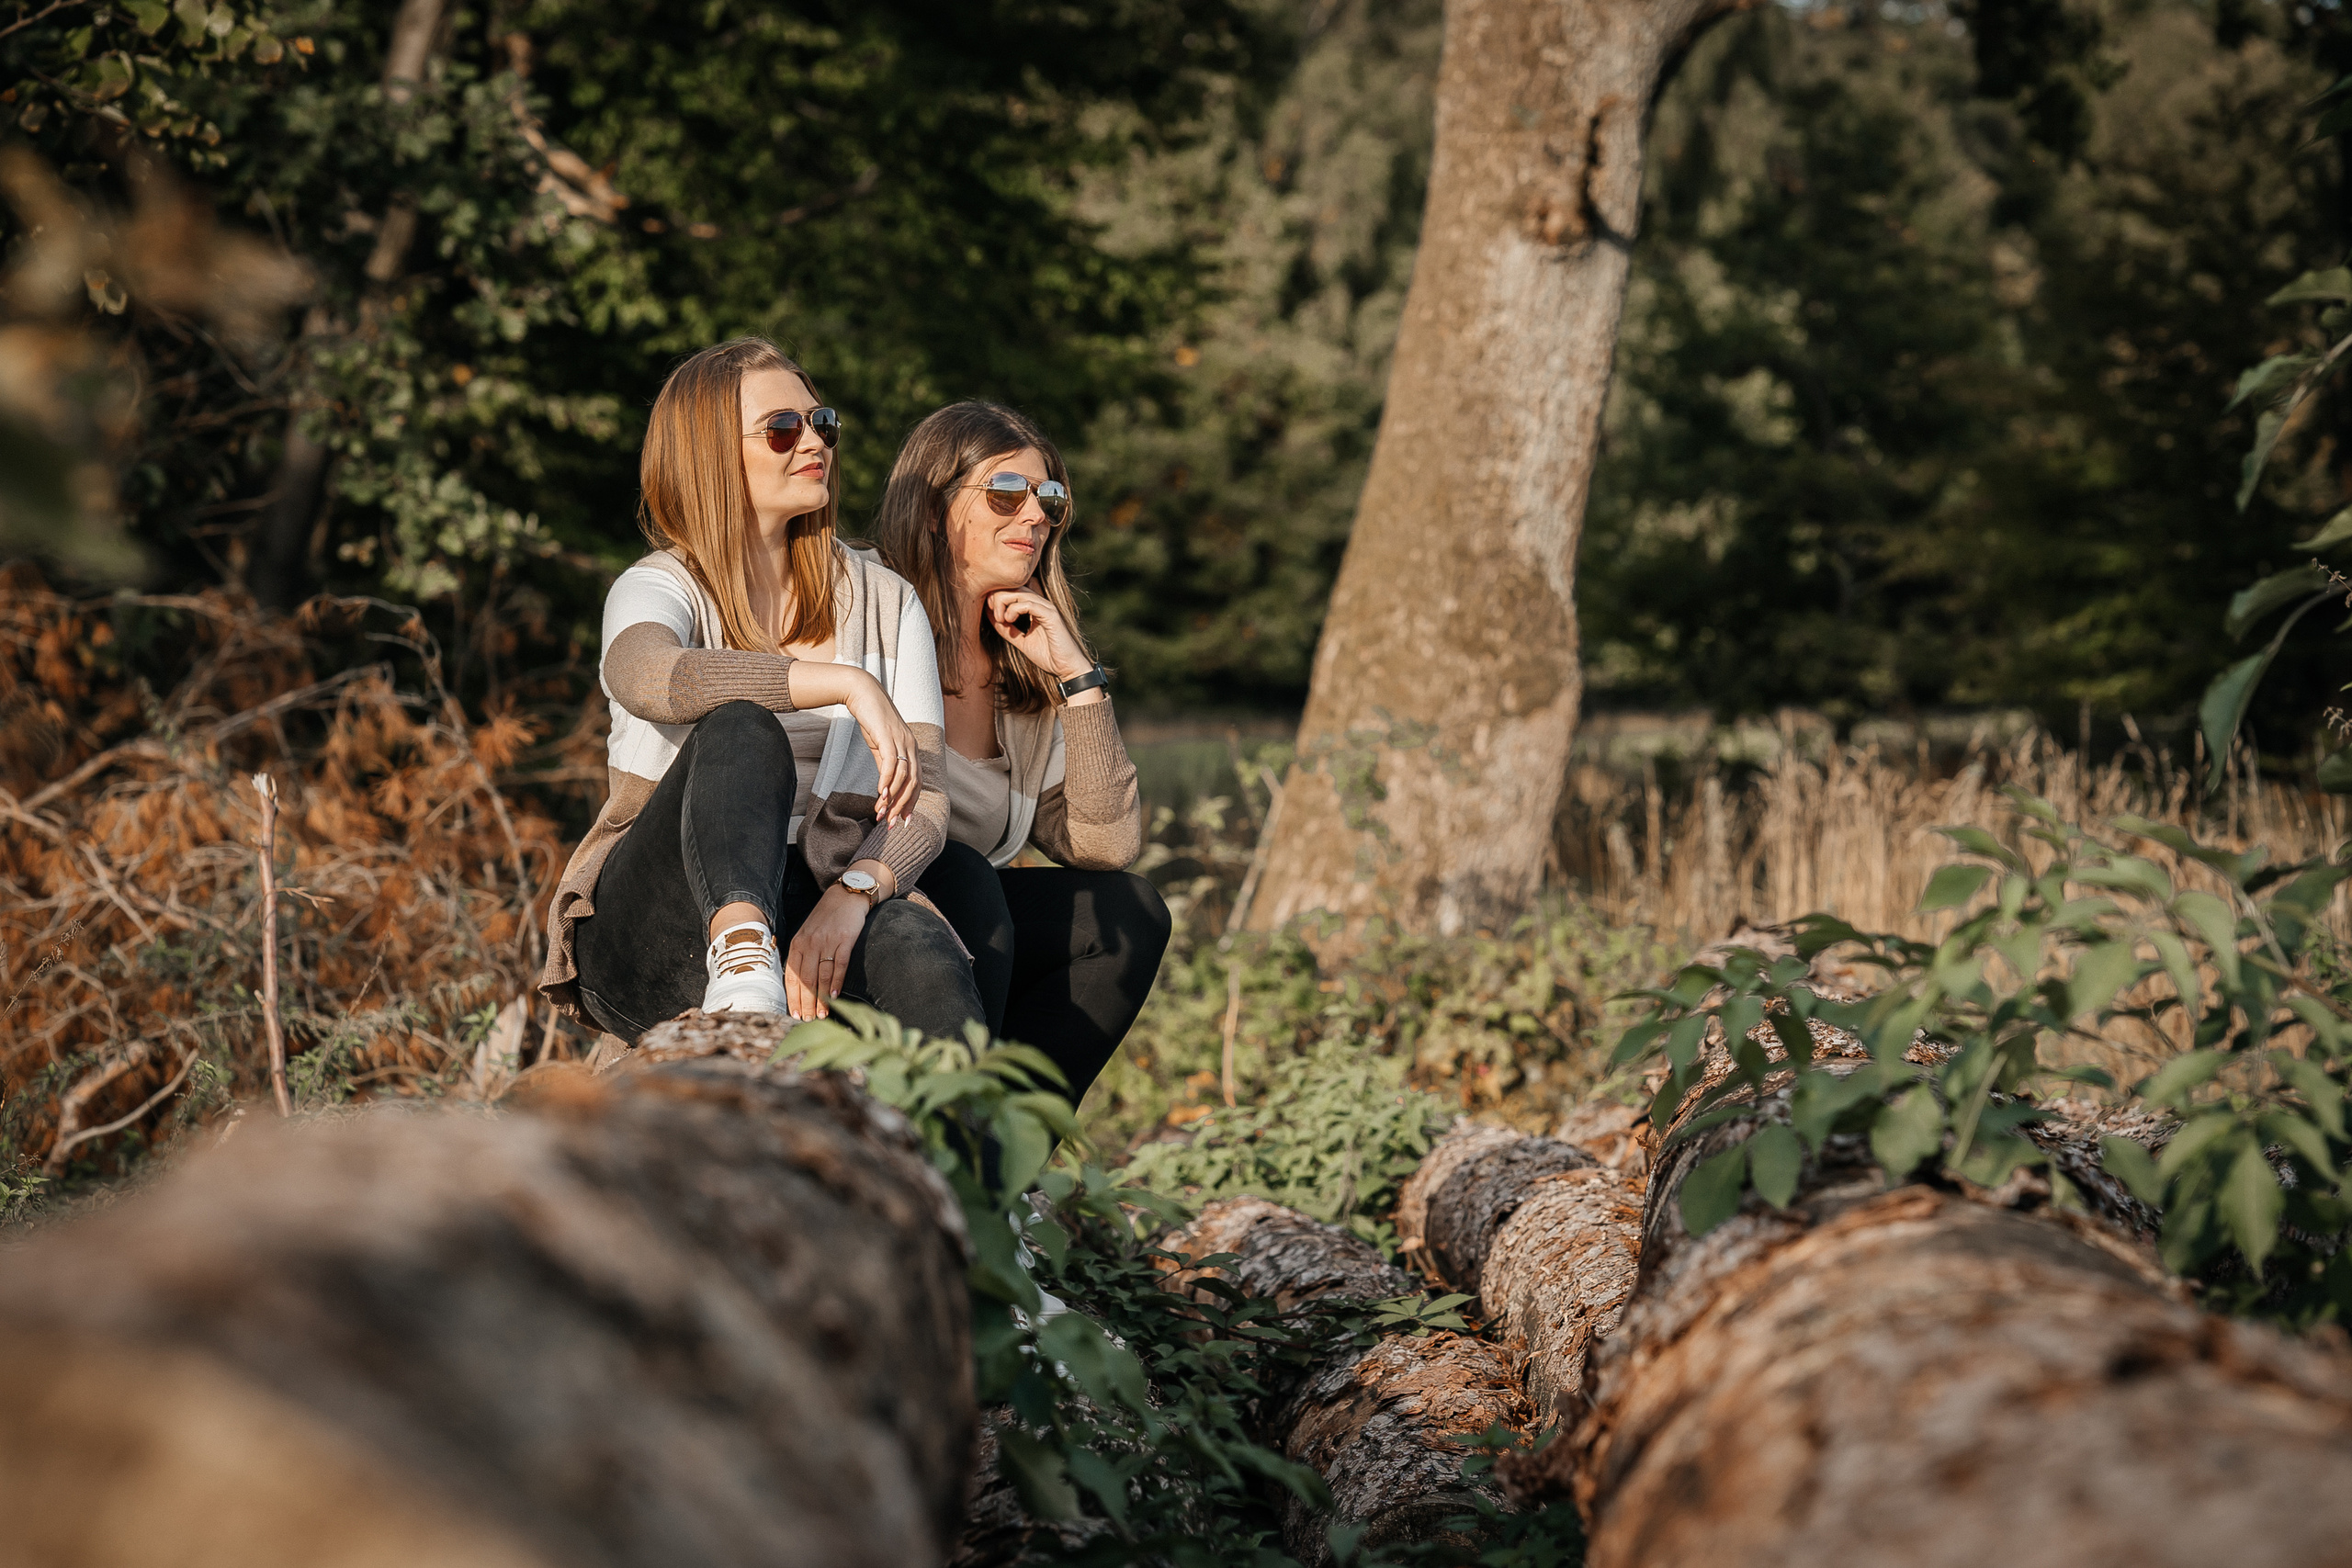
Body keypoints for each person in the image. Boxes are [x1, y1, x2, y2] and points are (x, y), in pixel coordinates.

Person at [537, 338, 982, 1043]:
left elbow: (925, 795)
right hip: (652, 919)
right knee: (742, 726)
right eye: (782, 428)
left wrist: (857, 890)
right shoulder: (658, 584)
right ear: (710, 454)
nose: (814, 442)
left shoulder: (885, 599)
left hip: (813, 893)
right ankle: (742, 966)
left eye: (821, 422)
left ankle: (967, 1148)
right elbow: (648, 674)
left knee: (927, 959)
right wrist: (840, 681)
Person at [869, 400, 1170, 1104]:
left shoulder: (1019, 665)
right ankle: (956, 1138)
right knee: (968, 880)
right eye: (1007, 493)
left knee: (1128, 915)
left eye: (1051, 499)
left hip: (972, 927)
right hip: (852, 897)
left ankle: (1002, 1169)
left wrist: (1077, 678)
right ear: (935, 506)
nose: (1035, 516)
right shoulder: (863, 606)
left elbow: (1107, 843)